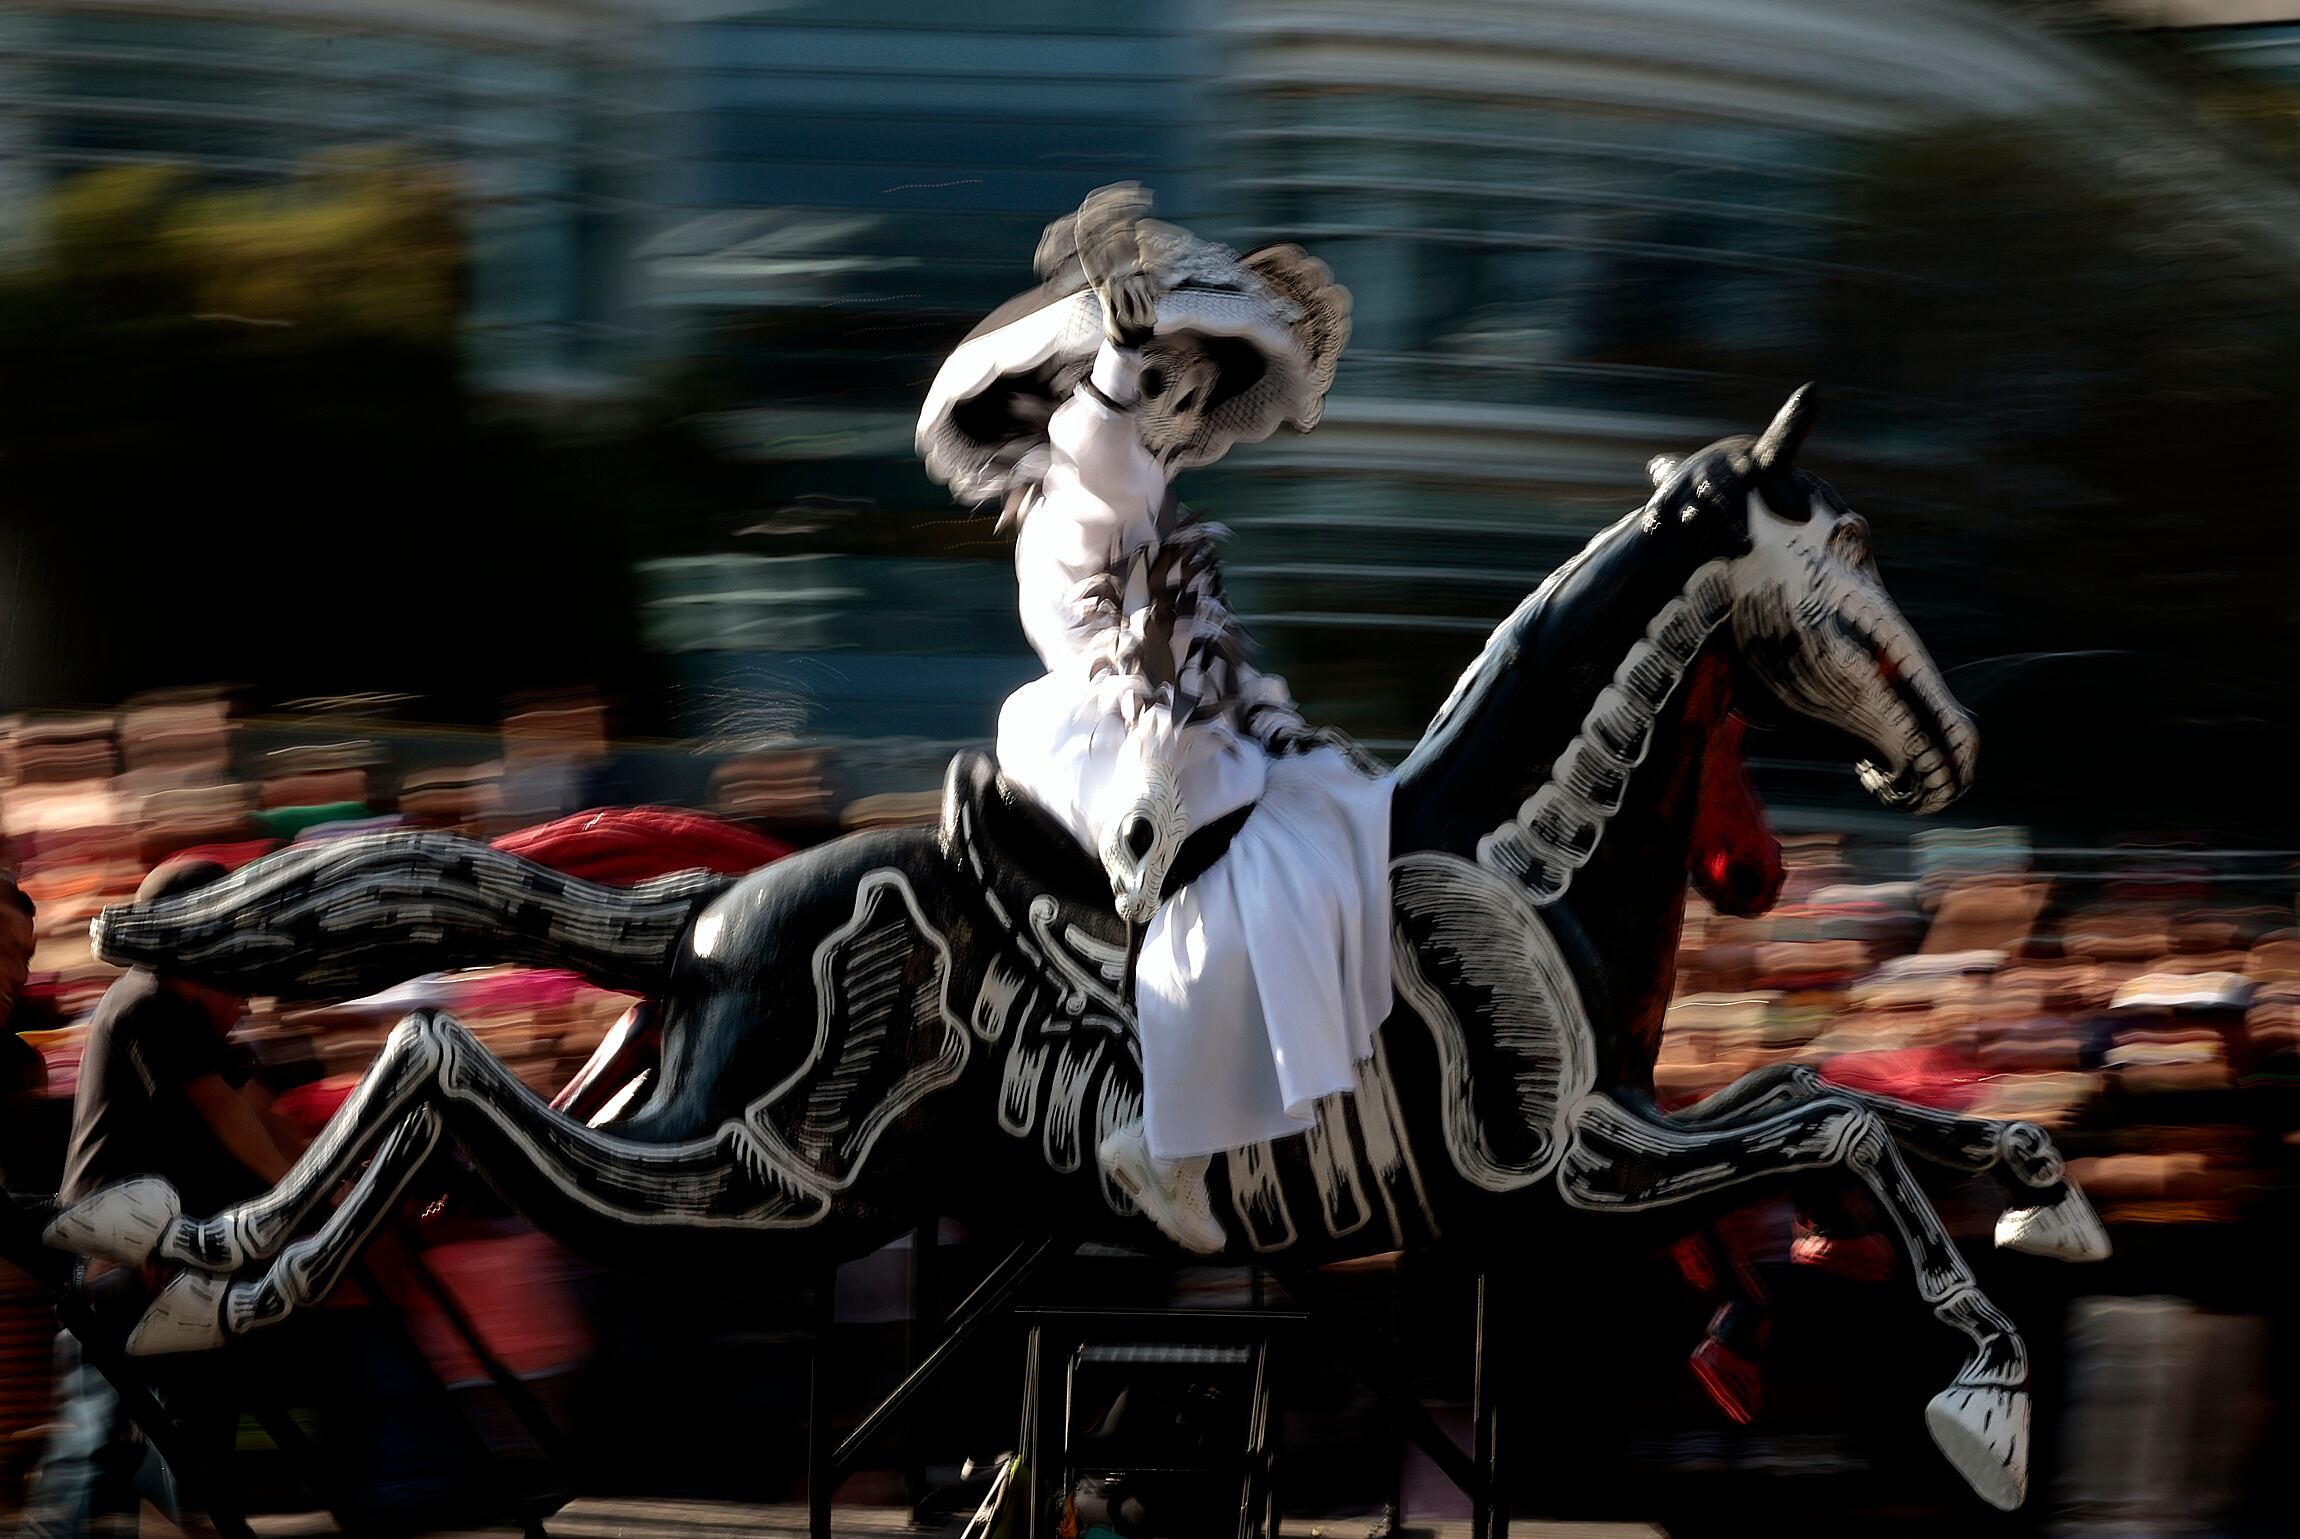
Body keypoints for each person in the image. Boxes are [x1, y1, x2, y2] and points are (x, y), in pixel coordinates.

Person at [917, 186, 1391, 1252]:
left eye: (1189, 391)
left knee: (1339, 805)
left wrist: (1281, 726)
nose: (1173, 409)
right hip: (1098, 729)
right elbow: (1103, 459)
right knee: (1236, 846)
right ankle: (1164, 1141)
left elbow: (1213, 664)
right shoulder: (1079, 490)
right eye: (1160, 386)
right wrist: (1119, 362)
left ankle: (1289, 1101)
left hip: (1175, 724)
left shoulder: (1159, 518)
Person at [14, 858, 300, 1537]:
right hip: (116, 1255)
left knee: (181, 1436)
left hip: (166, 1258)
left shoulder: (192, 1020)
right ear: (188, 940)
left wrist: (343, 1168)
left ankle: (183, 1509)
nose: (246, 997)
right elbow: (222, 1109)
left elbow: (259, 1111)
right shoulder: (146, 1001)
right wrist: (300, 1191)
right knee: (98, 1440)